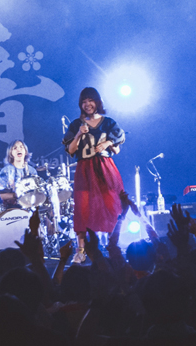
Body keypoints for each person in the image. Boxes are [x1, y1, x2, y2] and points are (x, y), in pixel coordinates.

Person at [62, 86, 125, 263]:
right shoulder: (76, 124)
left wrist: (107, 143)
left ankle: (113, 247)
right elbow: (71, 150)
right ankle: (80, 251)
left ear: (97, 102)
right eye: (84, 101)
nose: (87, 104)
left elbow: (118, 148)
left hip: (105, 168)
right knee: (82, 208)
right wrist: (78, 135)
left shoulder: (108, 122)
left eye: (90, 100)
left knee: (111, 205)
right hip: (84, 169)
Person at [0, 140, 38, 207]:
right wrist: (19, 195)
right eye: (15, 148)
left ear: (25, 151)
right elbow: (3, 196)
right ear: (11, 153)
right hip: (12, 208)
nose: (19, 149)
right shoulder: (5, 171)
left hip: (30, 206)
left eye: (21, 147)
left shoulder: (32, 171)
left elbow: (36, 192)